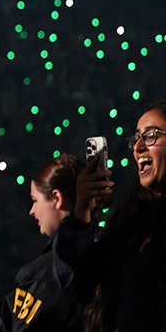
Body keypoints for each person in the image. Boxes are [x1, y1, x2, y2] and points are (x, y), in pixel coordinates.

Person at [0, 154, 100, 331]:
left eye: (35, 200)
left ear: (57, 198)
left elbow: (8, 325)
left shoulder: (52, 273)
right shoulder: (102, 249)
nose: (32, 211)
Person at [75, 101, 166, 331]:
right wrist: (84, 211)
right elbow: (80, 283)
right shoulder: (135, 220)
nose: (138, 148)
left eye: (151, 136)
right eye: (136, 138)